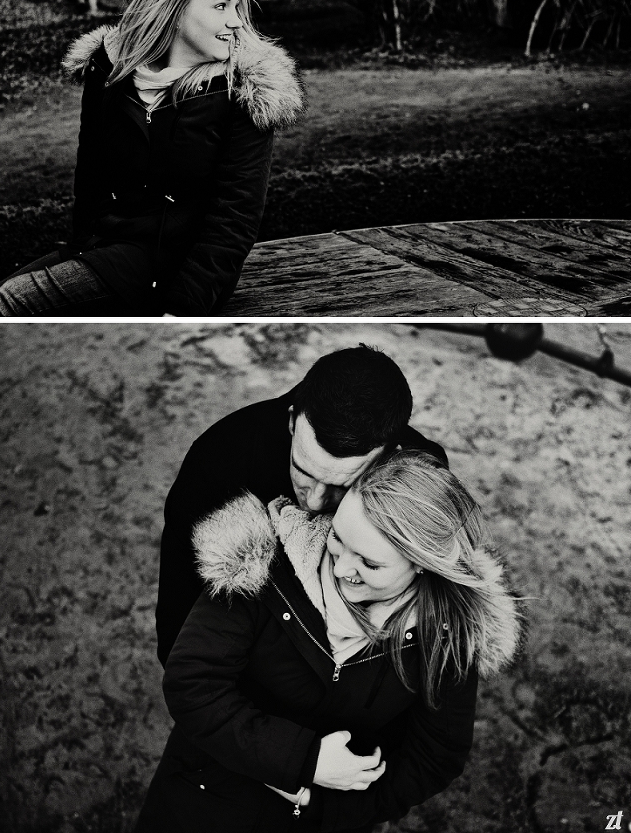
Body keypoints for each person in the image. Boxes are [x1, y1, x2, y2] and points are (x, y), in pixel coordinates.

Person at [137, 449, 521, 831]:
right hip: (200, 803)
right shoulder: (262, 565)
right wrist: (307, 761)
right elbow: (192, 684)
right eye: (338, 537)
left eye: (369, 563)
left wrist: (323, 805)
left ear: (423, 562)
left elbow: (435, 758)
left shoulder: (449, 634)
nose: (340, 567)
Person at [0, 0, 303, 317]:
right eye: (221, 6)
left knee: (12, 303)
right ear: (175, 11)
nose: (236, 21)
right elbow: (90, 173)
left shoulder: (245, 91)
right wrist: (82, 249)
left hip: (173, 266)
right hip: (103, 249)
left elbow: (236, 216)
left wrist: (183, 308)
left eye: (237, 7)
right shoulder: (110, 74)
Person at [156, 345, 448, 664]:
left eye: (342, 485)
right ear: (294, 421)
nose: (315, 501)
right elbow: (180, 607)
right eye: (304, 471)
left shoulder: (422, 478)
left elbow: (430, 615)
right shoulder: (220, 460)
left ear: (391, 456)